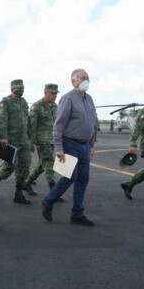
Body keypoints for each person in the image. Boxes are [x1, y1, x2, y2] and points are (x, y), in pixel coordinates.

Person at [41, 68, 97, 227]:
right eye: (82, 78)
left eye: (87, 77)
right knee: (69, 177)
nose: (86, 80)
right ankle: (48, 201)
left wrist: (91, 145)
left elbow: (91, 123)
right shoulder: (68, 99)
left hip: (85, 146)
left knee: (83, 179)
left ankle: (77, 214)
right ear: (73, 81)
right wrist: (59, 148)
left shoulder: (90, 99)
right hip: (69, 143)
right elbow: (58, 126)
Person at [0, 79, 32, 205]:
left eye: (22, 88)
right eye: (18, 88)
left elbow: (28, 120)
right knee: (11, 166)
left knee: (25, 167)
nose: (21, 90)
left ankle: (18, 194)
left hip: (24, 140)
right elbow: (2, 120)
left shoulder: (24, 102)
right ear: (12, 89)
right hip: (11, 140)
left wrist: (30, 139)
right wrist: (3, 137)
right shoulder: (5, 102)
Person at [24, 84, 61, 200]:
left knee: (42, 164)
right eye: (52, 93)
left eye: (56, 94)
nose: (54, 96)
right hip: (41, 140)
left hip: (51, 140)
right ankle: (53, 191)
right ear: (45, 92)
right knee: (49, 163)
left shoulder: (55, 106)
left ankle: (27, 183)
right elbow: (32, 125)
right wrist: (31, 141)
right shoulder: (37, 106)